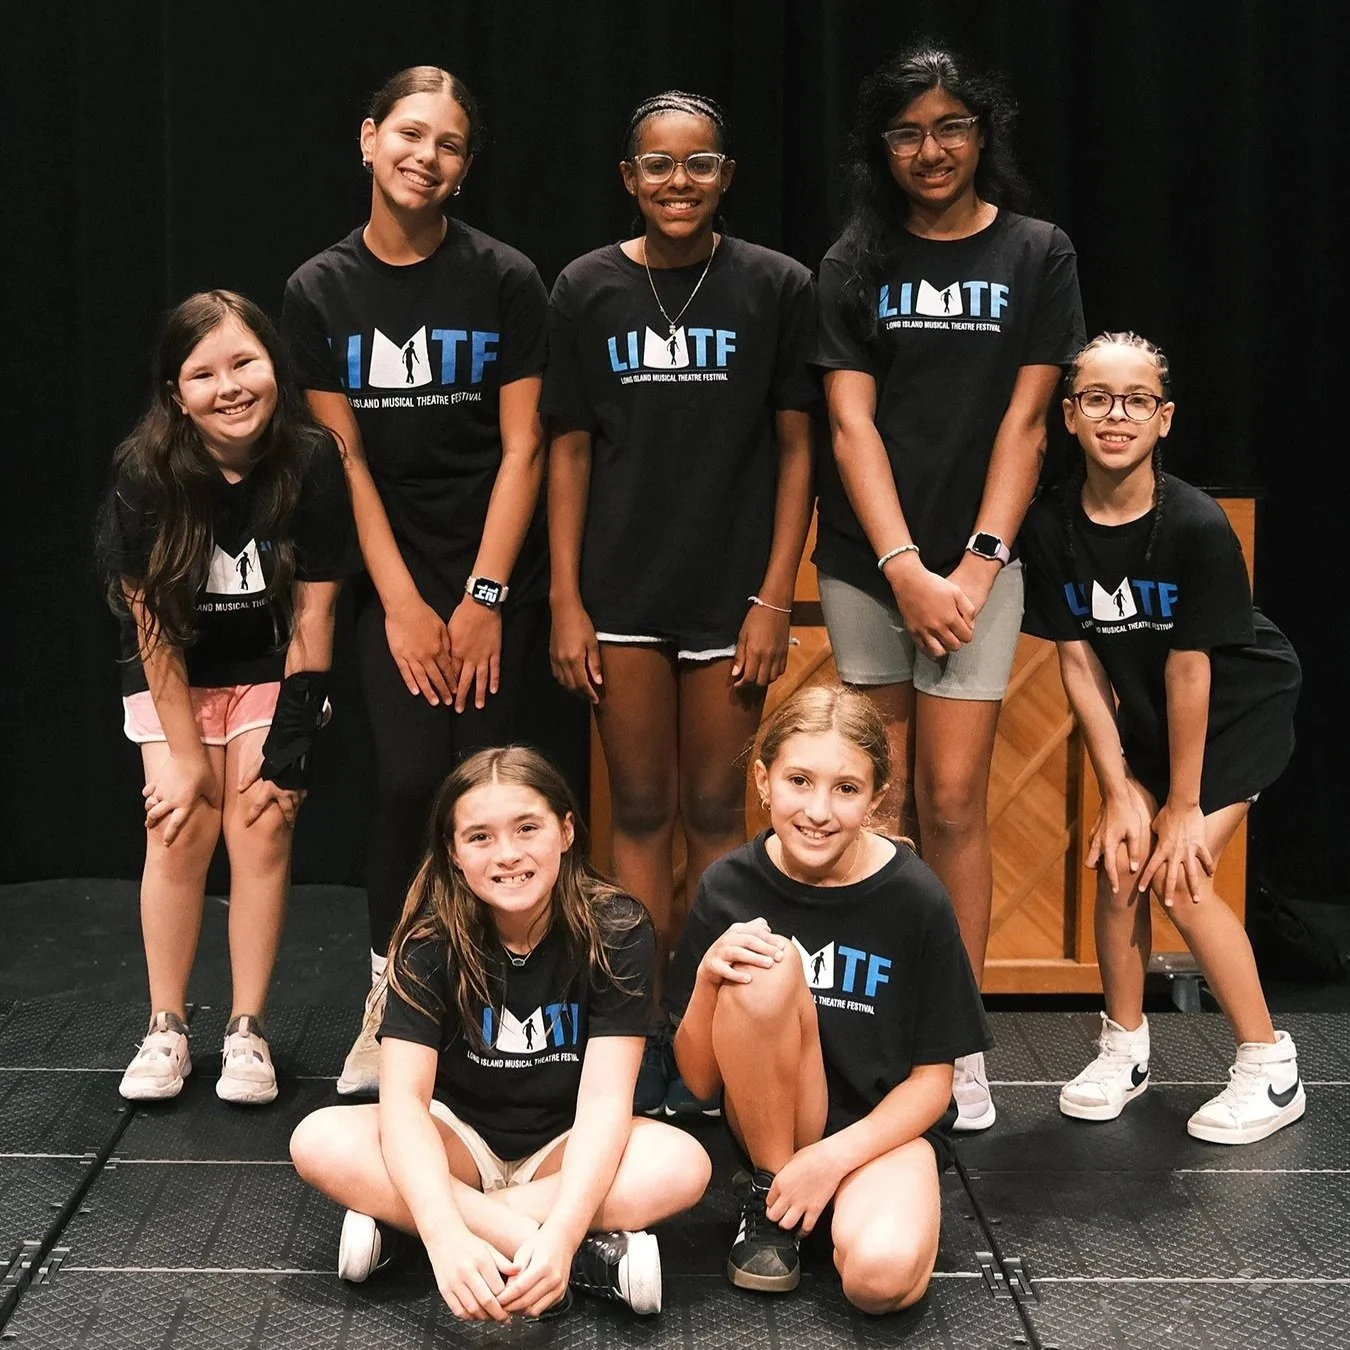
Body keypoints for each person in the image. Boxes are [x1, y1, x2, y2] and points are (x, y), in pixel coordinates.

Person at [813, 43, 1085, 1132]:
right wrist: (902, 568)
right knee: (879, 806)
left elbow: (1027, 421)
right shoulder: (854, 258)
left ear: (984, 135)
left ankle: (955, 1042)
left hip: (981, 567)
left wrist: (973, 561)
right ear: (882, 148)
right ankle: (875, 1033)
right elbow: (850, 425)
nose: (931, 151)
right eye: (908, 133)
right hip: (869, 566)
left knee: (957, 799)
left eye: (951, 128)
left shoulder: (1037, 251)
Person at [543, 91, 817, 1116]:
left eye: (699, 163)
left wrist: (774, 595)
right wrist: (566, 598)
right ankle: (642, 1029)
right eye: (657, 164)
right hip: (621, 588)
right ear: (629, 178)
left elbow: (799, 450)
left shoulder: (775, 285)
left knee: (715, 812)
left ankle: (715, 1027)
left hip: (729, 594)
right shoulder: (586, 287)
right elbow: (569, 452)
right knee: (639, 810)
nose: (678, 181)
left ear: (726, 175)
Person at [282, 66, 551, 1096]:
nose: (424, 157)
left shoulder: (505, 277)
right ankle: (392, 1001)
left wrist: (483, 600)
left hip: (493, 565)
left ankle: (483, 1001)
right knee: (404, 784)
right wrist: (398, 601)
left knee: (485, 788)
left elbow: (524, 448)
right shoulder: (319, 290)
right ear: (368, 139)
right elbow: (342, 457)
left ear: (465, 167)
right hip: (383, 563)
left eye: (447, 144)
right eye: (408, 133)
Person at [289, 747, 712, 1320]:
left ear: (566, 831)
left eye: (527, 828)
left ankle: (409, 1230)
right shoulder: (426, 939)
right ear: (453, 852)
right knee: (318, 1138)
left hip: (563, 1147)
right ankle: (573, 1258)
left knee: (684, 1164)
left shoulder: (618, 929)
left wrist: (559, 1232)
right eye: (480, 837)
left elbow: (605, 1102)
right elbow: (405, 1103)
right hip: (458, 1141)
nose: (508, 854)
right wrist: (447, 1235)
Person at [1018, 332, 1304, 1144]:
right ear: (1069, 415)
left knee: (1177, 875)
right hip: (1149, 709)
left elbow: (1191, 672)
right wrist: (1118, 791)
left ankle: (1270, 1066)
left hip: (1236, 704)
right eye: (1097, 399)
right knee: (1120, 860)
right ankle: (1124, 1051)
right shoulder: (1049, 524)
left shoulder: (1196, 524)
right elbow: (1079, 665)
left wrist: (1179, 804)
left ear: (1164, 417)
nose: (1117, 415)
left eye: (1137, 400)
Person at [96, 290, 357, 1105]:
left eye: (245, 362)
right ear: (177, 395)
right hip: (175, 672)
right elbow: (151, 626)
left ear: (274, 364)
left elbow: (314, 614)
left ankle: (247, 1028)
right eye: (204, 374)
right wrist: (182, 759)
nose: (231, 387)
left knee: (264, 818)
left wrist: (290, 747)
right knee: (179, 826)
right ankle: (166, 1026)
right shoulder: (147, 472)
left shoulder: (312, 460)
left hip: (272, 668)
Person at [666, 686, 990, 1308]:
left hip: (880, 1136)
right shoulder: (727, 887)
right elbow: (699, 1083)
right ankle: (771, 1199)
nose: (818, 810)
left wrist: (832, 1161)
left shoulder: (916, 898)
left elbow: (933, 1083)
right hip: (777, 1133)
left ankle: (824, 1200)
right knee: (767, 962)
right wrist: (707, 979)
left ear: (876, 798)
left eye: (845, 788)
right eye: (799, 781)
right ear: (763, 781)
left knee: (879, 1280)